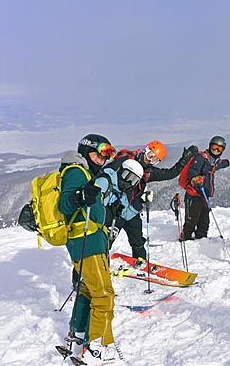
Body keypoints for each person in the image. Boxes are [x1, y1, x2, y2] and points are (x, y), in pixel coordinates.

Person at [59, 134, 124, 364]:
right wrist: (80, 197)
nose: (102, 159)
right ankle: (98, 348)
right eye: (100, 153)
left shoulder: (86, 172)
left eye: (107, 155)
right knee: (104, 295)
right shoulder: (77, 171)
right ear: (87, 151)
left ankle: (77, 337)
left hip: (90, 240)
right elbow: (64, 204)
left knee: (88, 291)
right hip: (87, 242)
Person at [108, 141, 197, 259]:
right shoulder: (125, 160)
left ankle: (140, 262)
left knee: (138, 241)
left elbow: (171, 173)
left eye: (154, 160)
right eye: (150, 155)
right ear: (145, 150)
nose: (149, 160)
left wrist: (184, 159)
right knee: (107, 240)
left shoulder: (149, 172)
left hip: (132, 211)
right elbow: (106, 174)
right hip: (116, 209)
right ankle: (98, 266)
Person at [180, 136, 230, 240]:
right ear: (210, 146)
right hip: (194, 194)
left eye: (219, 149)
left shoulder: (214, 160)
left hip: (204, 195)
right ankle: (185, 238)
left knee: (204, 221)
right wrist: (195, 179)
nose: (216, 151)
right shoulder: (201, 157)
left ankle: (202, 241)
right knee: (192, 220)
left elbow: (218, 165)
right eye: (214, 147)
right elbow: (192, 172)